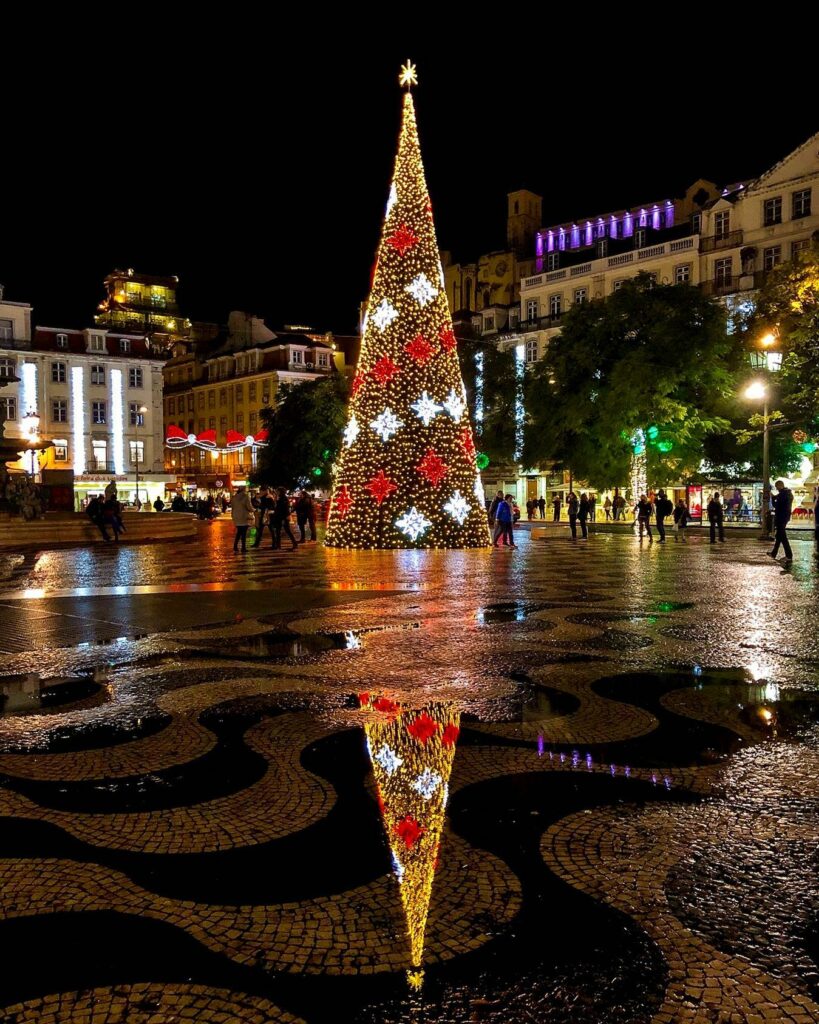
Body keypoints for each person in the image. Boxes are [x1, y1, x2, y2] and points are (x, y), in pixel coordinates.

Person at [769, 479, 794, 562]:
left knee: (783, 537)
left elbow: (776, 505)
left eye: (777, 487)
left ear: (780, 486)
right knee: (779, 536)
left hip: (781, 518)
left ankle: (789, 555)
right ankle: (774, 553)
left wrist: (772, 498)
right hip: (785, 517)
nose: (777, 489)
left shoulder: (782, 494)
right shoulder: (788, 493)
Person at [231, 485, 254, 553]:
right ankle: (243, 547)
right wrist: (254, 510)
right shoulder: (246, 496)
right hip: (243, 516)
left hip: (236, 516)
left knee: (239, 532)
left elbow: (233, 507)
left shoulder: (234, 497)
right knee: (243, 533)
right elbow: (249, 507)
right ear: (244, 489)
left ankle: (235, 546)